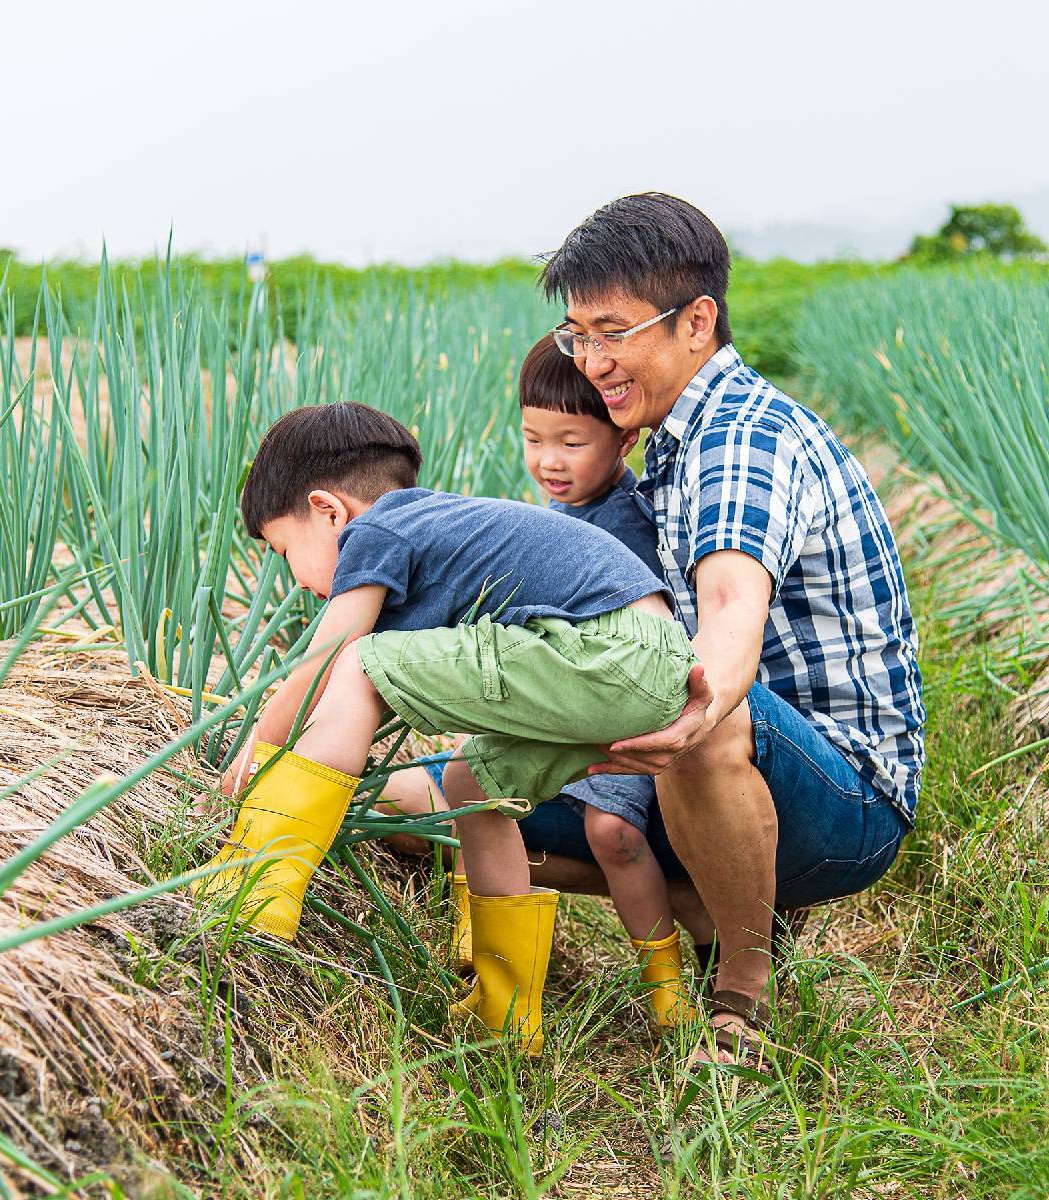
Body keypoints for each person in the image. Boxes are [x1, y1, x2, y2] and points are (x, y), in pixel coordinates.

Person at [528, 193, 928, 1066]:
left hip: (845, 797)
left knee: (700, 706)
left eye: (612, 331)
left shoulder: (739, 442)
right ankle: (711, 894)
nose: (591, 362)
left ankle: (742, 994)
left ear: (697, 321)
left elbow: (729, 615)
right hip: (743, 780)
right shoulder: (668, 438)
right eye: (574, 336)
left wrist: (680, 716)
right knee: (426, 805)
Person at [190, 401, 696, 1055]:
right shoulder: (428, 531)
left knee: (358, 667)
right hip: (646, 665)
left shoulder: (385, 528)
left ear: (328, 511)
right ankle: (506, 1017)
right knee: (470, 785)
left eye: (285, 551)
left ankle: (258, 891)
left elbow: (325, 663)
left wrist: (249, 758)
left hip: (608, 652)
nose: (294, 578)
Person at [381, 336, 700, 1027]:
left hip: (628, 704)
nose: (549, 461)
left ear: (624, 442)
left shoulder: (635, 522)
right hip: (563, 703)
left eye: (573, 442)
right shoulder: (549, 522)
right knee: (472, 784)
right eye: (533, 438)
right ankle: (496, 964)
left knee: (614, 829)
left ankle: (666, 986)